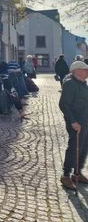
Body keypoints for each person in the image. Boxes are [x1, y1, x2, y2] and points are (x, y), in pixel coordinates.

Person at [59, 61, 88, 190]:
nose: (87, 72)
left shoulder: (82, 84)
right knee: (74, 148)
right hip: (76, 122)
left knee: (83, 148)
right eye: (85, 69)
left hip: (85, 120)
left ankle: (77, 172)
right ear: (76, 70)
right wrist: (73, 122)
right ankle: (66, 175)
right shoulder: (70, 84)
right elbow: (63, 104)